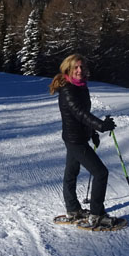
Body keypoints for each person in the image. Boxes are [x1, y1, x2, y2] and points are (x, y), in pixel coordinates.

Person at [49, 53, 119, 228]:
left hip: (77, 137)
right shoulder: (68, 90)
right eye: (76, 67)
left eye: (82, 67)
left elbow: (81, 115)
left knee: (71, 173)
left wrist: (92, 133)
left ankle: (73, 210)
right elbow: (80, 113)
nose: (79, 70)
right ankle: (97, 215)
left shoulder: (80, 86)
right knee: (101, 173)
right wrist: (100, 126)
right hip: (75, 140)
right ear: (69, 69)